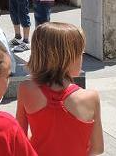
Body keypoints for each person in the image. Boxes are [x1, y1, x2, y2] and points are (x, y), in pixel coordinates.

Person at [16, 22, 103, 156]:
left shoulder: (26, 89)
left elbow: (19, 139)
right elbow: (97, 149)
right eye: (80, 53)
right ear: (67, 58)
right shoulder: (91, 97)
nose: (82, 58)